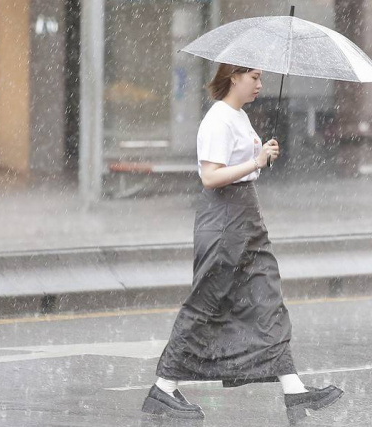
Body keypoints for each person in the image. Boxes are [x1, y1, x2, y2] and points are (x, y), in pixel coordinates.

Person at [141, 63, 344, 423]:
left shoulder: (238, 117)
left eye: (261, 78)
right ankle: (164, 387)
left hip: (247, 218)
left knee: (267, 299)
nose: (260, 85)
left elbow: (245, 165)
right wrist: (255, 159)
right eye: (254, 77)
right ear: (233, 77)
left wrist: (261, 155)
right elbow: (210, 176)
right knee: (206, 303)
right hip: (224, 221)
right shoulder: (218, 119)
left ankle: (294, 391)